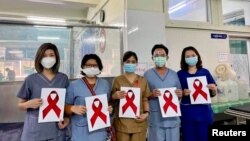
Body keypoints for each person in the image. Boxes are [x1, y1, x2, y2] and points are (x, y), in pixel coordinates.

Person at [16, 43, 70, 141]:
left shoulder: (63, 79)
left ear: (56, 57)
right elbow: (20, 105)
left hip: (56, 131)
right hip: (35, 132)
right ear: (39, 58)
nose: (48, 58)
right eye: (44, 55)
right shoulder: (31, 80)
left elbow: (66, 104)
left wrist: (67, 119)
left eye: (51, 55)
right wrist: (28, 104)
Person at [65, 54, 113, 141]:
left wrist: (110, 109)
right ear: (83, 66)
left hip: (100, 131)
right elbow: (64, 106)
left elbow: (108, 102)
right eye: (88, 65)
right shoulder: (74, 85)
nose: (91, 67)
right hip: (81, 132)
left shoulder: (105, 84)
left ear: (99, 67)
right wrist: (72, 108)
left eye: (94, 65)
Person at [177, 46, 217, 141]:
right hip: (187, 113)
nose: (191, 57)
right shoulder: (180, 74)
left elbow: (213, 93)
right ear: (184, 59)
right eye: (188, 56)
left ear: (197, 56)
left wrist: (213, 88)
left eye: (193, 55)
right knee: (189, 137)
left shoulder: (205, 72)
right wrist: (182, 93)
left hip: (203, 112)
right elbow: (175, 94)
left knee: (204, 137)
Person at [144, 44, 183, 141]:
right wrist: (151, 94)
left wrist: (179, 94)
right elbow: (143, 96)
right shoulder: (147, 74)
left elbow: (179, 95)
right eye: (156, 55)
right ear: (152, 57)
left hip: (172, 118)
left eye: (162, 55)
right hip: (156, 118)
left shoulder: (174, 74)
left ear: (167, 57)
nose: (159, 57)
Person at [110, 51, 150, 141]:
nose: (130, 64)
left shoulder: (143, 80)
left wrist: (146, 113)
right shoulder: (117, 80)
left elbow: (145, 98)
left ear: (136, 63)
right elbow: (110, 101)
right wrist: (114, 96)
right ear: (123, 63)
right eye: (128, 61)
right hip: (122, 123)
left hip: (139, 122)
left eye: (133, 61)